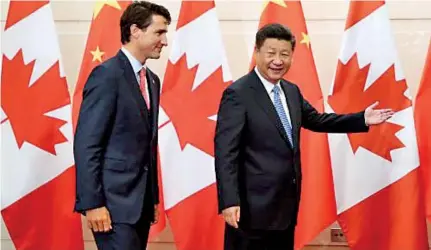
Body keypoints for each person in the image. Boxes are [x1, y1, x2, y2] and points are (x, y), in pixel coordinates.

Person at [214, 23, 394, 250]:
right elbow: (225, 152)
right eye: (270, 53)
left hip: (285, 206)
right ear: (257, 52)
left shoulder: (291, 91)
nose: (277, 60)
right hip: (250, 209)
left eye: (284, 54)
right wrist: (229, 201)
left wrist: (361, 119)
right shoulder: (238, 94)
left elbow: (317, 120)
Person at [73, 2, 171, 249]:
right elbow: (87, 144)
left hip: (140, 206)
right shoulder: (107, 75)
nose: (165, 40)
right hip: (111, 205)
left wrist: (153, 199)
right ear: (136, 30)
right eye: (159, 32)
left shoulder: (152, 80)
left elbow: (147, 145)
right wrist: (92, 203)